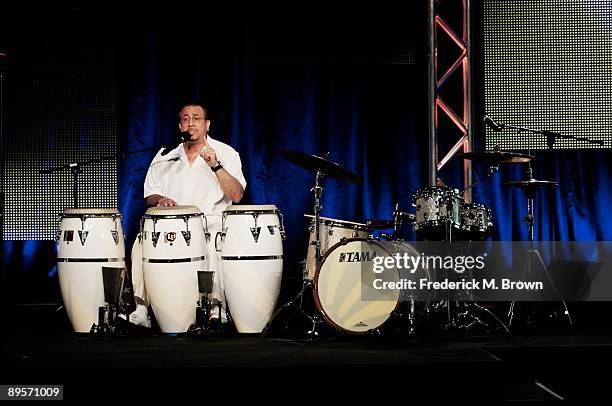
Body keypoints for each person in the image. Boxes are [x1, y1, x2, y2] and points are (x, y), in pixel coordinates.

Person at [128, 101, 246, 328]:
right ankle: (141, 309)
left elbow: (238, 194)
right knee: (141, 243)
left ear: (207, 124)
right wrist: (160, 200)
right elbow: (149, 195)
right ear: (179, 124)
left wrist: (216, 166)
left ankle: (215, 309)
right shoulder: (165, 155)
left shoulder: (226, 153)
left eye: (196, 118)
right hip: (170, 224)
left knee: (213, 242)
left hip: (209, 222)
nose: (190, 123)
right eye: (185, 118)